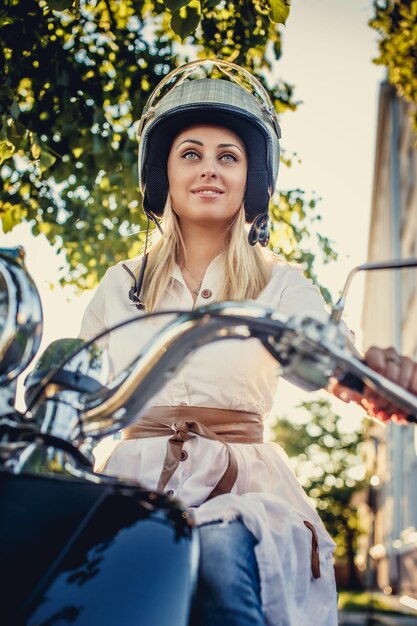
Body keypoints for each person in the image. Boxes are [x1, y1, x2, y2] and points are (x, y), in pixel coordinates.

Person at [79, 60, 417, 626]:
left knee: (222, 555)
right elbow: (77, 387)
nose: (209, 169)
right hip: (130, 482)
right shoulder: (121, 284)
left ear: (250, 179)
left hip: (244, 486)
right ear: (163, 170)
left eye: (227, 157)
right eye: (191, 153)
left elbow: (327, 352)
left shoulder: (279, 283)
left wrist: (369, 374)